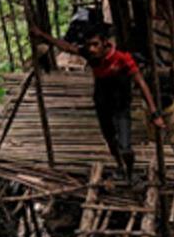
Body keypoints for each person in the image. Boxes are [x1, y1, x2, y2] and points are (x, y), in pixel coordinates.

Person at [33, 22, 164, 182]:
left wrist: (155, 113)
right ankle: (120, 167)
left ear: (104, 43)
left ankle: (130, 173)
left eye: (95, 45)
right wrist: (42, 34)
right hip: (102, 104)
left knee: (126, 148)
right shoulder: (90, 55)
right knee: (110, 140)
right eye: (89, 46)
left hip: (121, 105)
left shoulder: (122, 57)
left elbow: (141, 83)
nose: (92, 49)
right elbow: (67, 47)